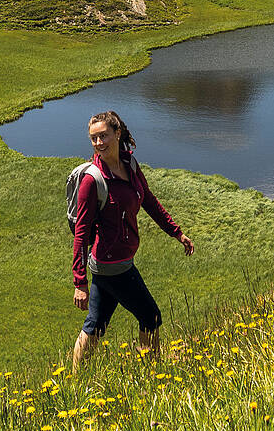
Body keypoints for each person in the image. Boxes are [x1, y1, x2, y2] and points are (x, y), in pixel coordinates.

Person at [71, 111, 195, 367]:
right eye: (93, 138)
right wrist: (79, 281)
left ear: (117, 134)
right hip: (111, 264)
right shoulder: (92, 181)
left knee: (95, 326)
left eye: (103, 136)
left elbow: (148, 200)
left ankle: (75, 379)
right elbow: (81, 233)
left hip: (119, 261)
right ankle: (151, 371)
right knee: (151, 316)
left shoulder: (130, 165)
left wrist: (176, 232)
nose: (98, 143)